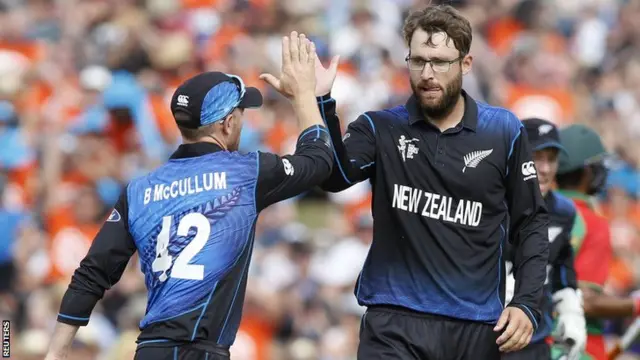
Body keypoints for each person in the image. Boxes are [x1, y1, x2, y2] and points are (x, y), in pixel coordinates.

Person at [45, 32, 333, 360]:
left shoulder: (139, 190)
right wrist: (304, 96)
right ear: (226, 124)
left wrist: (57, 349)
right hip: (202, 352)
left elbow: (93, 272)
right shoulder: (247, 171)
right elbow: (318, 161)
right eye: (241, 112)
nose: (243, 119)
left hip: (150, 350)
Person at [310, 4, 549, 359]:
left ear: (465, 65)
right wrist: (320, 103)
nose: (427, 73)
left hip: (475, 325)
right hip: (393, 319)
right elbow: (334, 178)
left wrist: (527, 303)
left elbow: (530, 222)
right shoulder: (381, 127)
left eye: (439, 61)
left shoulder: (503, 131)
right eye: (418, 60)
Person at [554, 124, 640, 360]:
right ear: (588, 171)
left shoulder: (534, 211)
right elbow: (584, 301)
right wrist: (634, 305)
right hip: (575, 348)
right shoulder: (591, 222)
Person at [503, 118, 586, 360]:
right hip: (484, 337)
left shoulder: (564, 212)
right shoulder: (491, 204)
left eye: (551, 159)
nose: (545, 168)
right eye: (537, 157)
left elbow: (562, 271)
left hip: (534, 341)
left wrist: (571, 313)